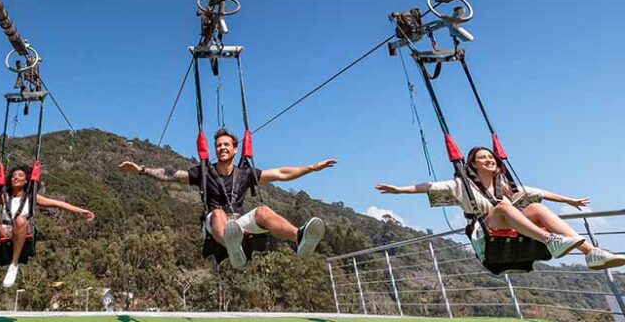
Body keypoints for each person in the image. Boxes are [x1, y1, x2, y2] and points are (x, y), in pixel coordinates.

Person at [375, 146, 625, 270]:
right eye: (483, 158)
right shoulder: (461, 185)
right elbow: (428, 186)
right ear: (472, 164)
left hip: (509, 229)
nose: (489, 160)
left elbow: (538, 192)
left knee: (535, 207)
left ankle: (591, 252)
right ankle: (551, 239)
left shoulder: (505, 185)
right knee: (504, 207)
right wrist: (400, 189)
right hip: (486, 234)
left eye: (491, 157)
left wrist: (569, 200)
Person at [118, 128, 337, 268]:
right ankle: (232, 245)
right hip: (215, 227)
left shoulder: (245, 174)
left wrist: (312, 168)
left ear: (234, 149)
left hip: (238, 226)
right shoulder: (203, 173)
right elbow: (171, 175)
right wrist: (141, 170)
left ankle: (299, 238)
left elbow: (280, 174)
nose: (222, 148)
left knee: (263, 211)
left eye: (226, 145)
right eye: (218, 146)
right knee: (219, 212)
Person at [0, 164, 95, 288]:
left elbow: (57, 203)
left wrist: (80, 211)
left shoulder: (32, 198)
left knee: (20, 219)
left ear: (26, 180)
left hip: (20, 232)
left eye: (19, 176)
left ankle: (13, 265)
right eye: (13, 176)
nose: (15, 178)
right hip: (4, 232)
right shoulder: (4, 197)